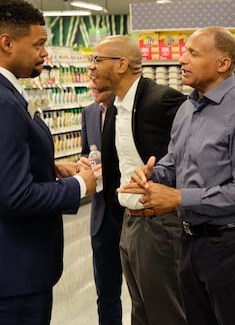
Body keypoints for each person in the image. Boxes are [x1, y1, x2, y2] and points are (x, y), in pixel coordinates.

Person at [121, 26, 235, 325]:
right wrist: (153, 175)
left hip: (232, 246)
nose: (181, 60)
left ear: (223, 63)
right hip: (189, 243)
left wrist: (178, 197)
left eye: (193, 53)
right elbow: (175, 162)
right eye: (183, 52)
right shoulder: (188, 109)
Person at [0, 0, 98, 324]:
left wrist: (47, 168)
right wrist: (77, 186)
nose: (45, 53)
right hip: (15, 276)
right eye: (39, 43)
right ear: (7, 43)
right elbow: (14, 197)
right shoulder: (4, 103)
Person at [88, 35, 187, 325]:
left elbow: (194, 152)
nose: (91, 67)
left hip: (160, 224)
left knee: (166, 313)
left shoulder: (161, 99)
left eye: (97, 60)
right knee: (141, 312)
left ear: (121, 64)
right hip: (130, 222)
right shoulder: (115, 106)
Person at [79, 80, 123, 325]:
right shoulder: (89, 112)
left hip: (132, 212)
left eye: (97, 77)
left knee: (147, 292)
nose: (92, 83)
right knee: (106, 293)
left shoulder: (129, 109)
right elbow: (87, 151)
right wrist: (84, 162)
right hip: (102, 215)